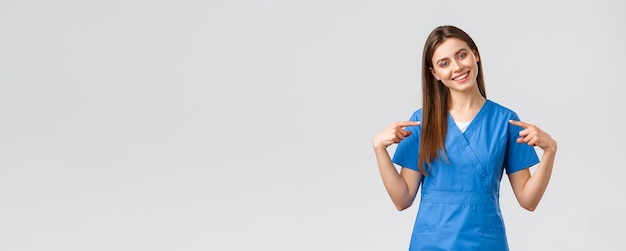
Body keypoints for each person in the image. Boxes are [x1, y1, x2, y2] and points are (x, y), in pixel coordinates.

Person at [372, 25, 557, 250]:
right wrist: (379, 149)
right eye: (444, 63)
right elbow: (402, 200)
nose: (457, 67)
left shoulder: (505, 122)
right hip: (431, 243)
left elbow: (528, 201)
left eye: (462, 55)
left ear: (475, 55)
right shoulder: (422, 122)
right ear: (434, 73)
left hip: (484, 242)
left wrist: (550, 151)